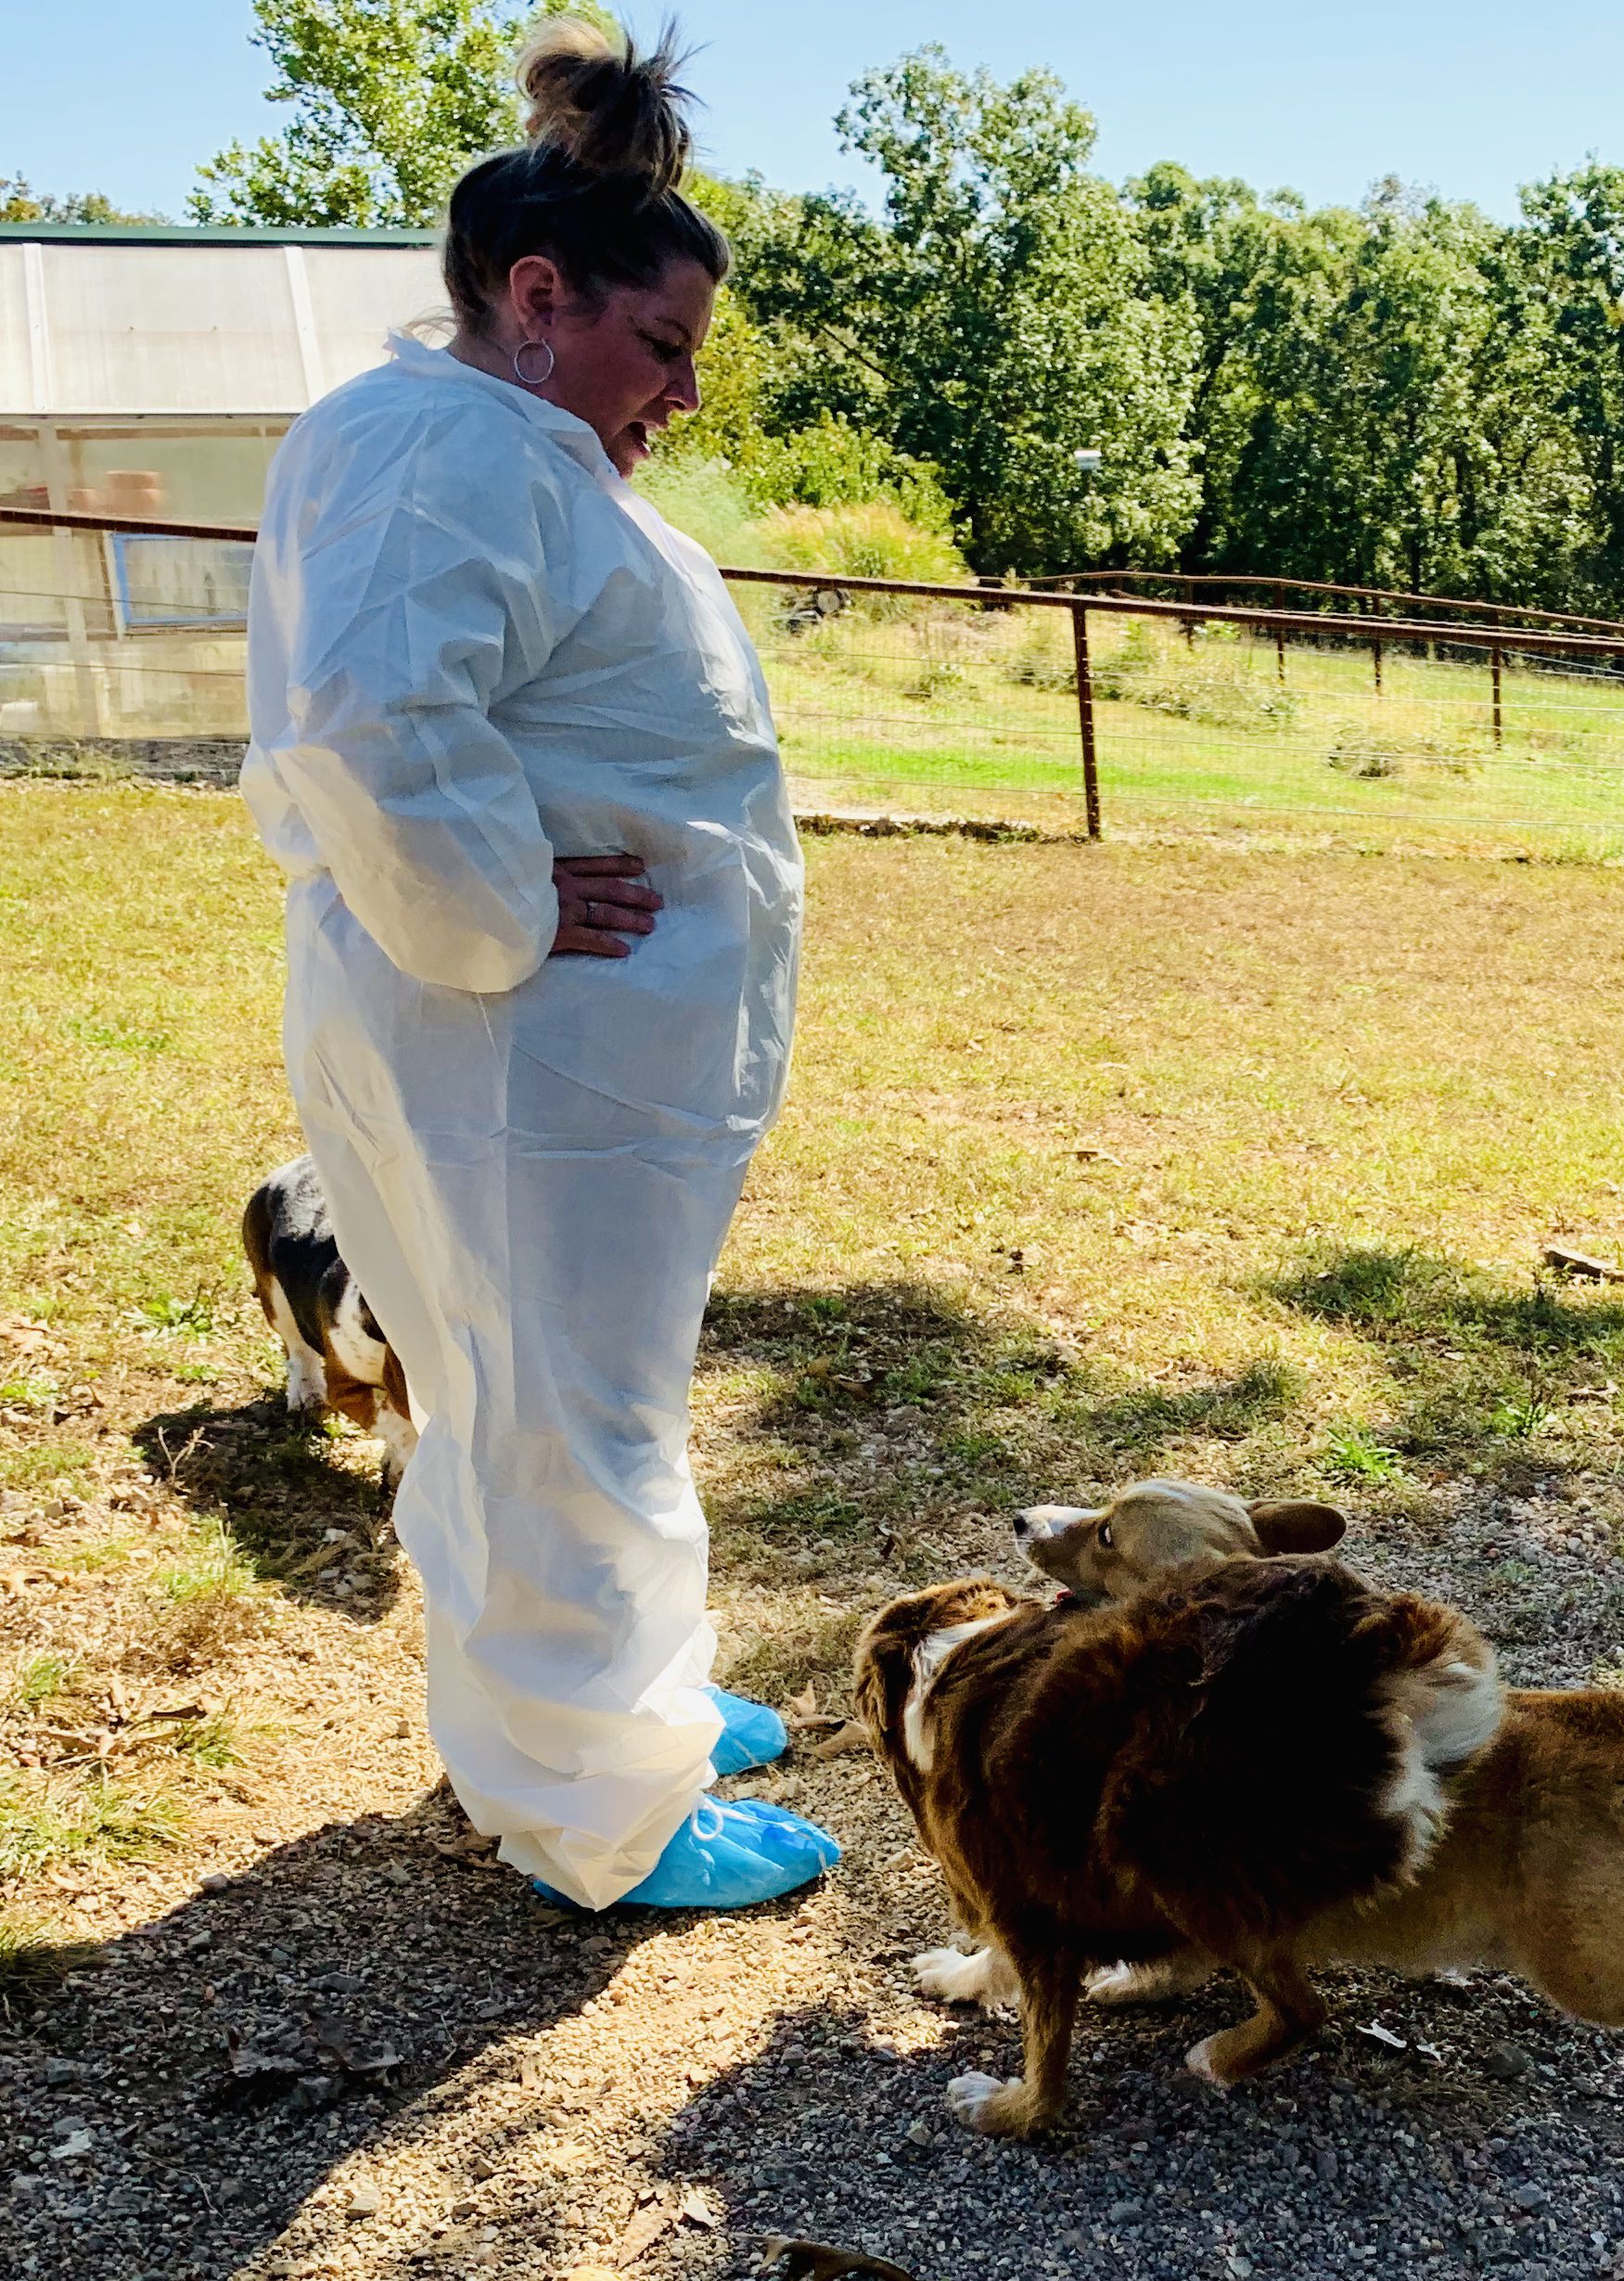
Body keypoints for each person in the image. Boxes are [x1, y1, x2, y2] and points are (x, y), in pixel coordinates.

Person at [241, 19, 839, 1911]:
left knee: (560, 1394)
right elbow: (376, 729)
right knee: (562, 1410)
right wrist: (502, 909)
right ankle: (605, 1801)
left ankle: (606, 1698)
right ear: (533, 296)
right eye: (657, 348)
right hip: (514, 1052)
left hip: (566, 1066)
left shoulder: (502, 446)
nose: (675, 393)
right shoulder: (445, 448)